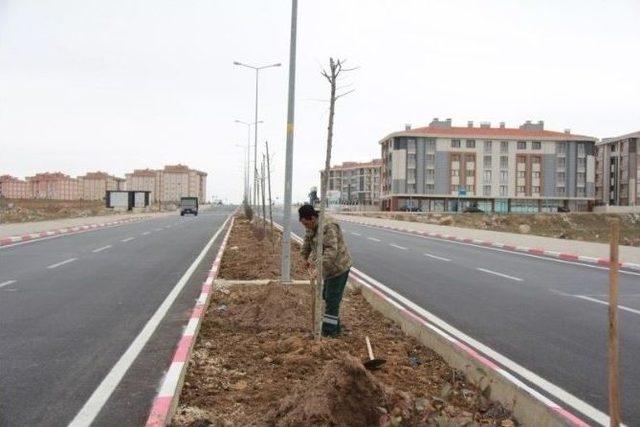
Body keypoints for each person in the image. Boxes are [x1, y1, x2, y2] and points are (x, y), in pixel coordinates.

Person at [298, 204, 352, 337]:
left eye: (306, 223)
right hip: (327, 269)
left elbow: (331, 252)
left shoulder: (328, 226)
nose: (305, 227)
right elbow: (307, 241)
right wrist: (304, 257)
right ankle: (335, 327)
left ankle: (329, 333)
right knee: (327, 297)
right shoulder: (311, 226)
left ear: (312, 218)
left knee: (332, 300)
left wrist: (318, 268)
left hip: (338, 268)